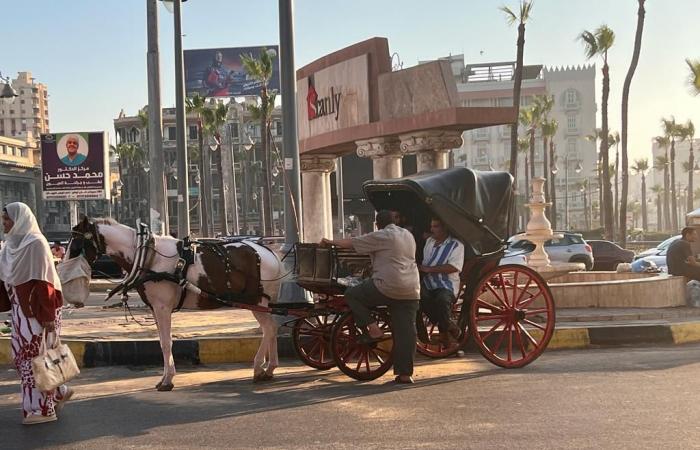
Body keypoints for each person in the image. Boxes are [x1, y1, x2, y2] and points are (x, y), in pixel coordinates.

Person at [321, 210, 420, 384]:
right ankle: (405, 374)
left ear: (377, 224)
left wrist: (330, 241)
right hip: (411, 288)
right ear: (394, 221)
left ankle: (373, 328)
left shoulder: (383, 235)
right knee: (406, 332)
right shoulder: (407, 235)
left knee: (352, 294)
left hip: (387, 286)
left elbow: (352, 243)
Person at [0, 202, 73, 425]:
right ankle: (59, 391)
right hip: (18, 312)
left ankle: (42, 409)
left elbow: (45, 285)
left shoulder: (36, 244)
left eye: (7, 218)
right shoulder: (9, 247)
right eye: (3, 218)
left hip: (38, 313)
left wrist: (48, 318)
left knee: (33, 361)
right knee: (22, 358)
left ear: (19, 219)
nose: (4, 223)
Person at [417, 218, 465, 346]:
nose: (432, 229)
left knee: (442, 300)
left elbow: (454, 267)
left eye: (436, 226)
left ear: (445, 228)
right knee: (417, 297)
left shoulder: (456, 245)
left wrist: (429, 269)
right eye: (431, 226)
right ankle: (448, 326)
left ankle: (445, 332)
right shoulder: (429, 242)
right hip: (427, 283)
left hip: (446, 284)